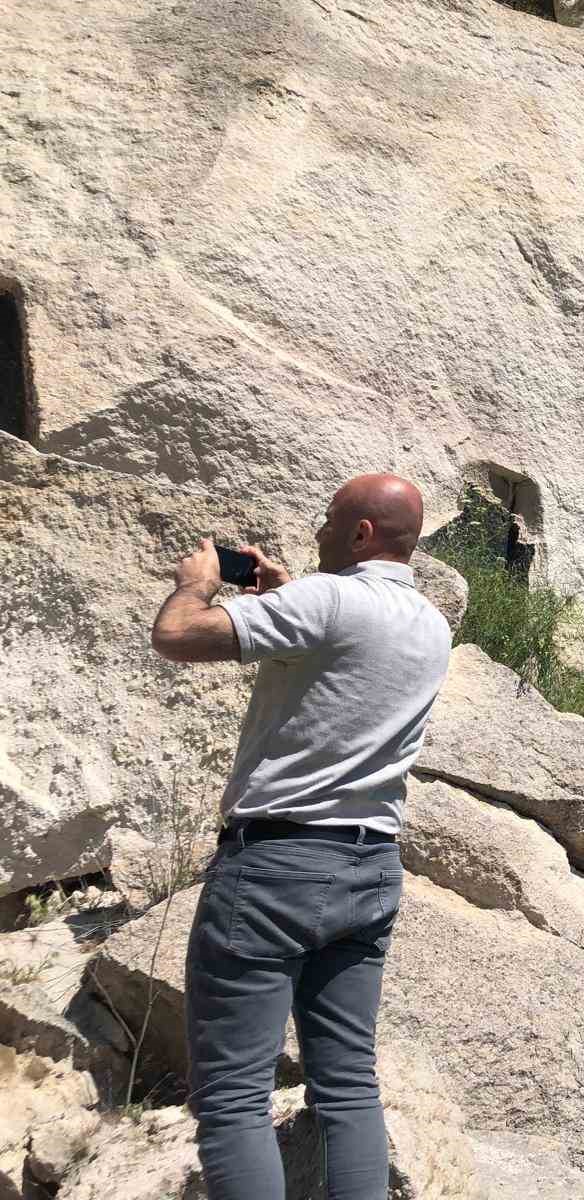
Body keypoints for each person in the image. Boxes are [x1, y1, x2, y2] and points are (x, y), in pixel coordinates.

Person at [149, 474, 453, 1200]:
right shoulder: (430, 623)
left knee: (233, 1099)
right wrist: (283, 601)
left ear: (361, 534)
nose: (317, 532)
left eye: (329, 521)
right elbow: (334, 661)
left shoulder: (325, 600)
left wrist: (197, 585)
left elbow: (175, 637)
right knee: (348, 1086)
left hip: (276, 866)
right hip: (371, 866)